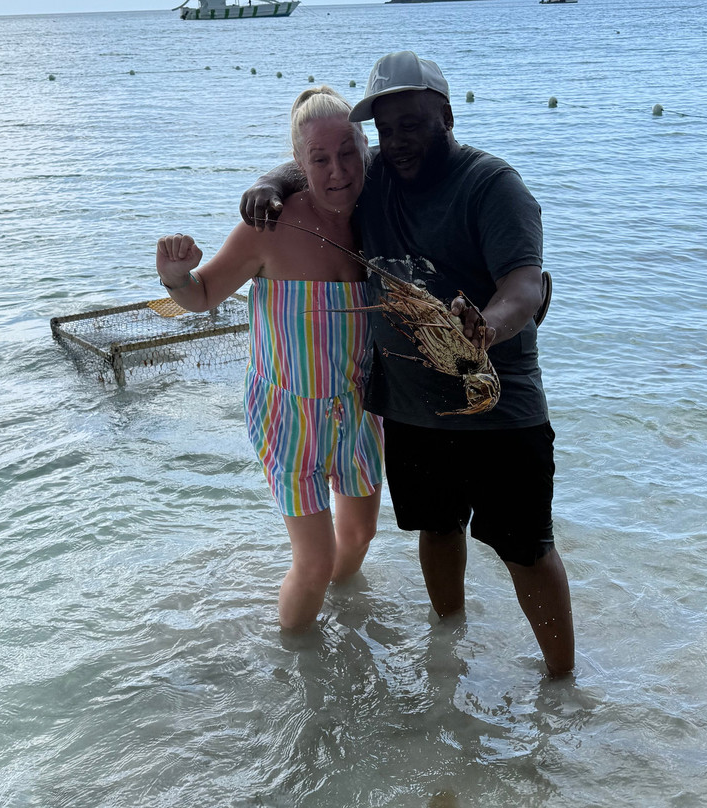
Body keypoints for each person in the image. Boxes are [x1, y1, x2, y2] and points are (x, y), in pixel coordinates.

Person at [241, 51, 575, 677]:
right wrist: (269, 183)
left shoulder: (492, 185)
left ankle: (563, 687)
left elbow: (527, 286)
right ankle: (448, 659)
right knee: (437, 530)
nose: (397, 141)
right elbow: (319, 162)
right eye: (386, 128)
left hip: (501, 405)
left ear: (446, 116)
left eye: (413, 124)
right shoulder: (376, 177)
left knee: (527, 549)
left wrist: (485, 327)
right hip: (413, 410)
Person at [156, 86, 383, 632]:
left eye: (348, 153)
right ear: (300, 163)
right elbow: (202, 296)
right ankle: (294, 660)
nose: (337, 171)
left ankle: (344, 622)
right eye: (320, 159)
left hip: (359, 408)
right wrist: (175, 277)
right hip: (289, 415)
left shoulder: (380, 213)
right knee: (315, 561)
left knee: (359, 536)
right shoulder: (269, 227)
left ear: (365, 148)